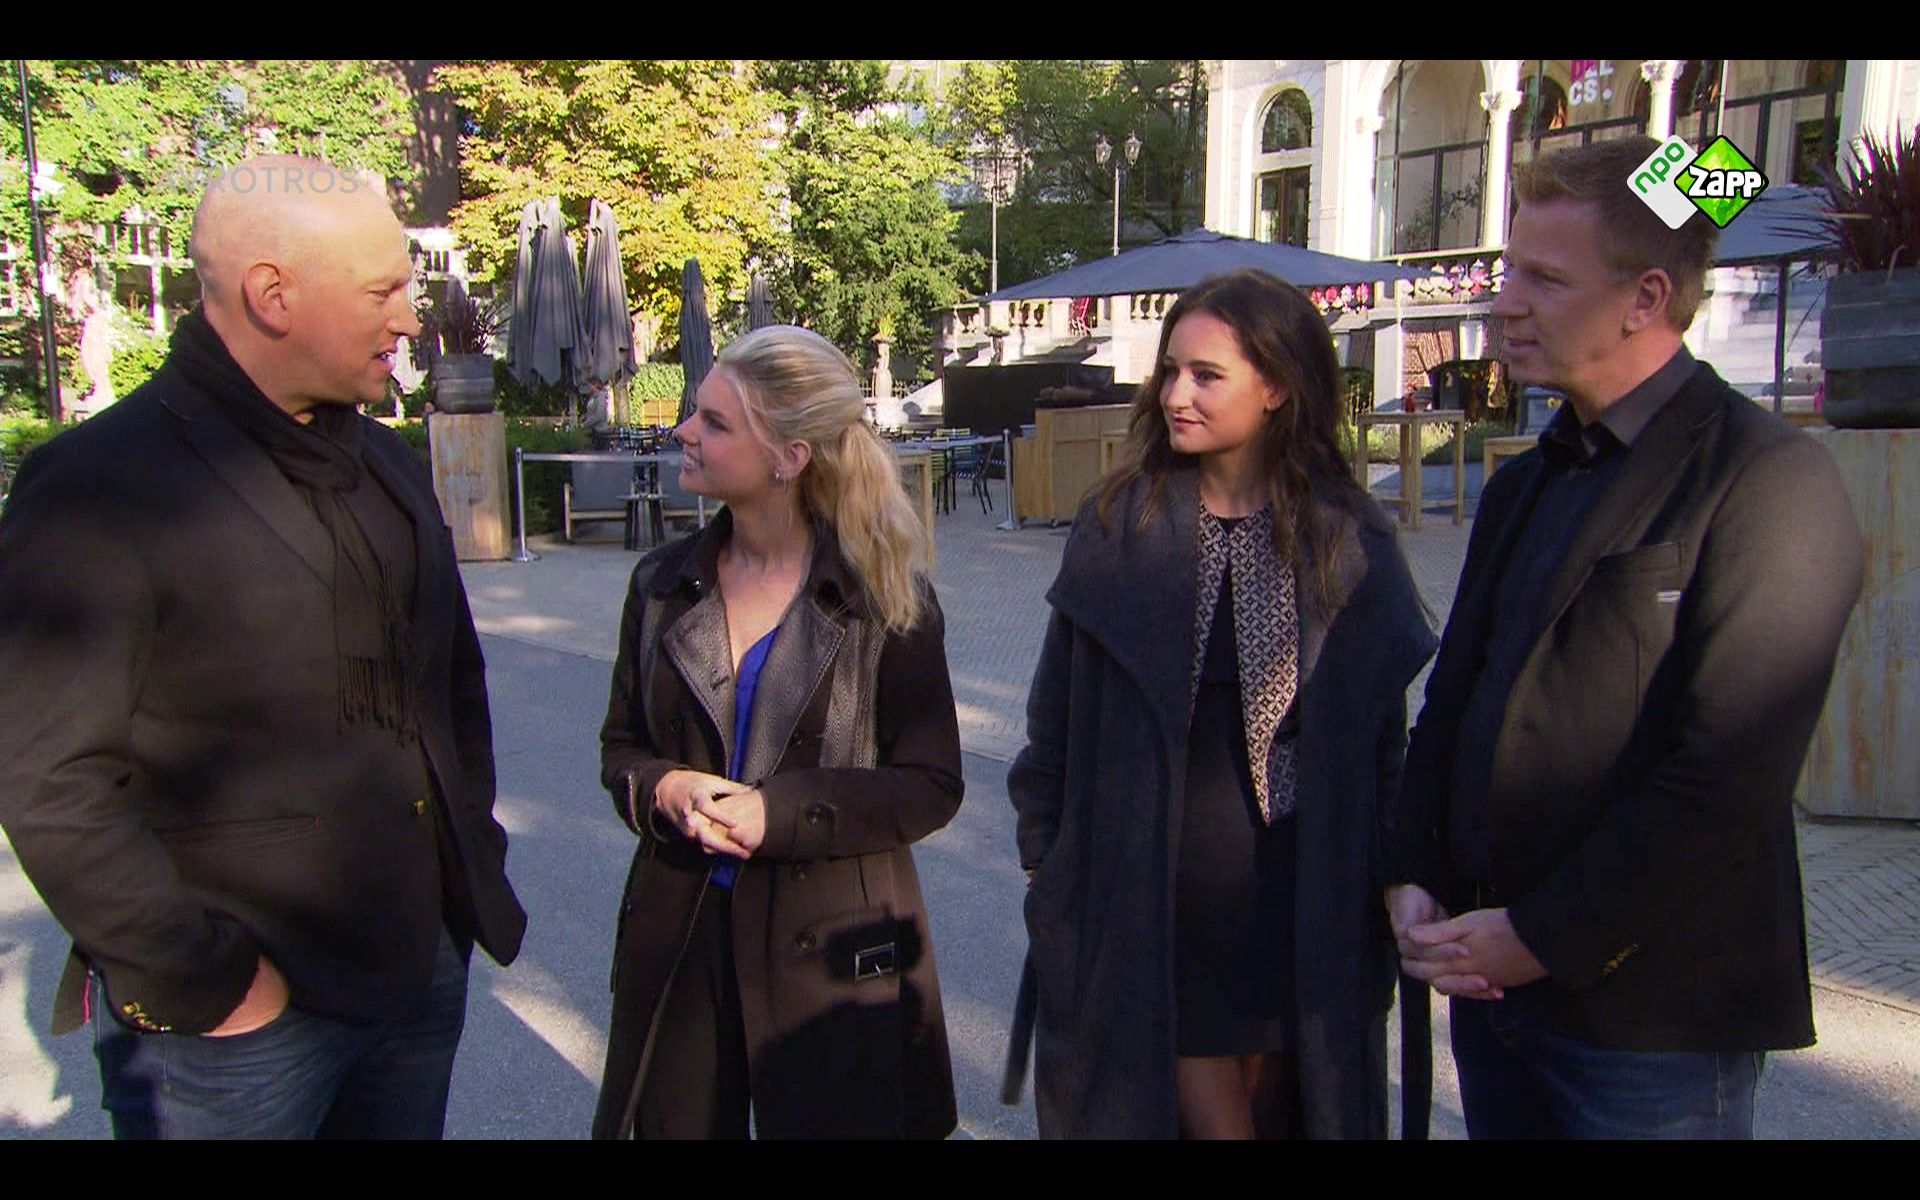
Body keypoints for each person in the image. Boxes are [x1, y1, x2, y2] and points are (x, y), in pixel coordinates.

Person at [0, 157, 527, 1139]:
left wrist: (467, 866)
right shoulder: (99, 485)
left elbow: (452, 684)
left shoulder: (383, 460)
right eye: (381, 291)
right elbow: (49, 778)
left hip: (417, 972)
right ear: (271, 295)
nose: (410, 319)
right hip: (233, 1024)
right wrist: (205, 980)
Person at [1388, 136, 1865, 1139]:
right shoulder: (1527, 483)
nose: (1504, 303)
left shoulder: (1767, 478)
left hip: (1653, 1022)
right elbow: (1456, 702)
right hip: (1493, 993)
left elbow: (1728, 776)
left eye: (1544, 278)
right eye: (1509, 270)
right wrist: (1412, 870)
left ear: (1645, 298)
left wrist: (1543, 937)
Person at [1007, 269, 1437, 1139]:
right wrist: (1045, 856)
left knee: (1292, 1111)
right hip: (1153, 900)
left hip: (1302, 902)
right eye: (1171, 371)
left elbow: (1382, 743)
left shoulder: (1346, 535)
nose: (1175, 395)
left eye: (1206, 375)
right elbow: (1055, 716)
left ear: (1277, 387)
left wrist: (1398, 876)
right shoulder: (1119, 526)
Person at [593, 325, 963, 1140]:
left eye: (715, 422)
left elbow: (931, 785)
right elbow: (621, 748)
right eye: (695, 413)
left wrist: (782, 813)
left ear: (789, 458)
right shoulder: (661, 584)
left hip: (832, 952)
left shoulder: (882, 598)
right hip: (684, 936)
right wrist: (666, 787)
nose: (683, 431)